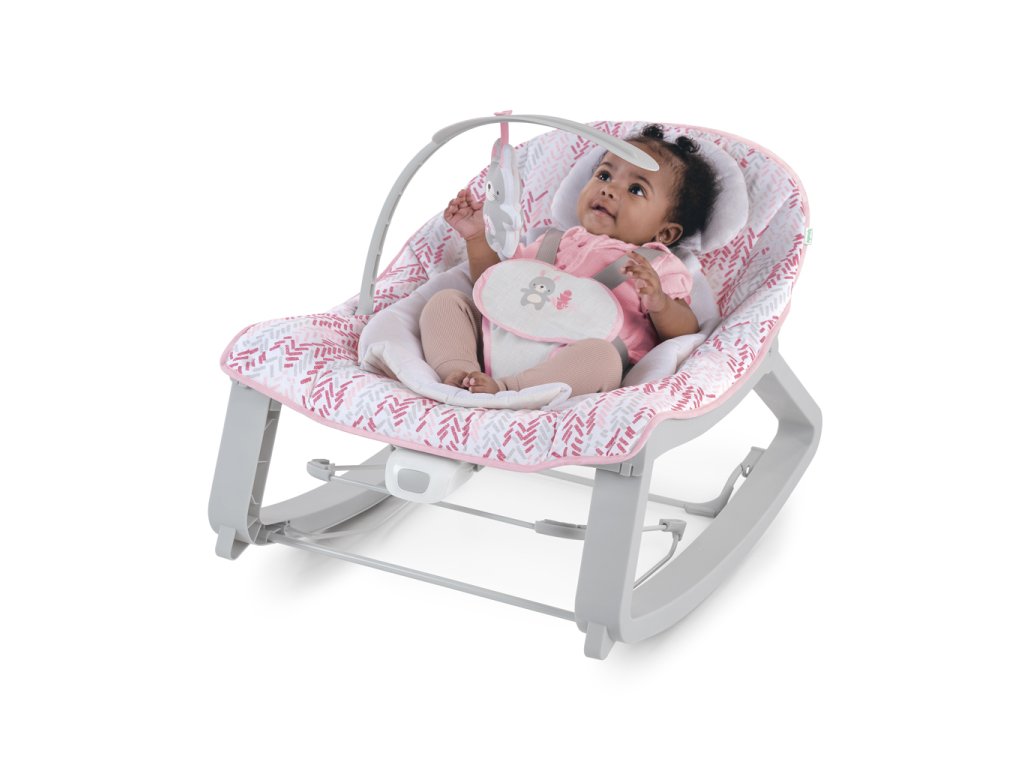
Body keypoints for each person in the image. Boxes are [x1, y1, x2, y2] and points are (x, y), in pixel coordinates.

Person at [420, 124, 719, 396]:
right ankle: (459, 372)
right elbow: (496, 286)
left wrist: (660, 302)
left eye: (636, 189)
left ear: (665, 232)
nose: (608, 189)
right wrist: (476, 238)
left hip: (567, 364)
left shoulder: (655, 265)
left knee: (603, 359)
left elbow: (685, 331)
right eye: (604, 175)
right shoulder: (553, 242)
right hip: (498, 343)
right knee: (446, 302)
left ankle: (508, 389)